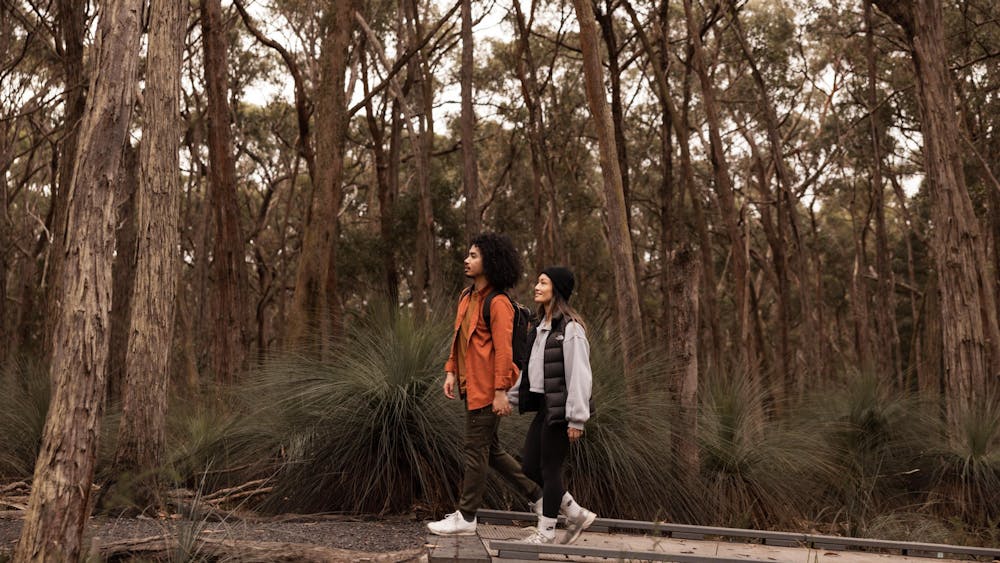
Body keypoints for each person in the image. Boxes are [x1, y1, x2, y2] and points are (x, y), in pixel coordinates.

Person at [427, 232, 543, 536]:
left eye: (474, 255)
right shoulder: (467, 297)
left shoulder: (499, 303)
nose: (467, 260)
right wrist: (451, 371)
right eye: (468, 255)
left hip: (489, 390)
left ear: (490, 261)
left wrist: (501, 391)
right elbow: (459, 338)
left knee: (474, 449)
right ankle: (541, 499)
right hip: (470, 385)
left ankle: (466, 517)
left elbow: (504, 351)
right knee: (490, 451)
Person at [508, 266, 597, 544]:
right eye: (537, 281)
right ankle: (575, 511)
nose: (536, 286)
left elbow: (580, 374)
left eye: (543, 283)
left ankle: (546, 531)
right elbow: (528, 371)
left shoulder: (570, 328)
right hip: (547, 406)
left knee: (550, 469)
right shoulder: (539, 329)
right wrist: (510, 397)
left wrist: (577, 419)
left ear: (556, 289)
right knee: (530, 466)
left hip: (562, 410)